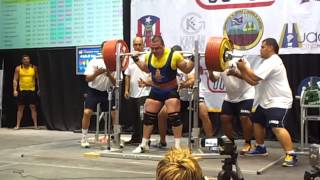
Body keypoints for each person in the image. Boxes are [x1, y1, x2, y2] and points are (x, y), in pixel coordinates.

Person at [233, 38, 297, 167]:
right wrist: (239, 72)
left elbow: (254, 77)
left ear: (270, 48)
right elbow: (253, 82)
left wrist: (244, 67)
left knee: (276, 126)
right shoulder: (265, 63)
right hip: (265, 101)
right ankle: (260, 148)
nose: (260, 50)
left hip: (279, 100)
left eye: (262, 47)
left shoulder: (273, 60)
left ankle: (291, 154)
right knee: (257, 122)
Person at [132, 35, 194, 153]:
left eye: (157, 48)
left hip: (170, 90)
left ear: (163, 46)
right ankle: (144, 144)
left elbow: (187, 69)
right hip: (156, 90)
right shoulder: (149, 56)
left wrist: (194, 58)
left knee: (174, 116)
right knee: (148, 116)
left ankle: (177, 146)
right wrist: (136, 60)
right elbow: (146, 68)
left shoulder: (174, 55)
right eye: (152, 48)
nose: (154, 51)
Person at [156, 45, 214, 148]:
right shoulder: (170, 66)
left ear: (182, 55)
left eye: (178, 56)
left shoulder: (187, 65)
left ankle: (211, 143)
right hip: (179, 96)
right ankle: (162, 141)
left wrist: (184, 84)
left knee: (204, 114)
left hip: (193, 94)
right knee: (162, 115)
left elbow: (192, 80)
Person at [207, 58, 254, 155]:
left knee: (244, 117)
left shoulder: (242, 60)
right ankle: (230, 143)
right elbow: (213, 79)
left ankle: (248, 143)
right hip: (230, 96)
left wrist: (235, 73)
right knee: (224, 118)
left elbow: (249, 77)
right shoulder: (219, 62)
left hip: (246, 94)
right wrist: (210, 71)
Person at [80, 41, 116, 148]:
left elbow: (117, 83)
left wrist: (109, 75)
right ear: (101, 50)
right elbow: (87, 79)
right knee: (87, 112)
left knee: (115, 114)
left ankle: (115, 137)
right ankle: (84, 138)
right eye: (104, 49)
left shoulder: (115, 63)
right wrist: (96, 73)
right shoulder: (94, 61)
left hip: (107, 92)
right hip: (93, 91)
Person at [124, 37, 150, 145]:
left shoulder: (147, 56)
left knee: (142, 117)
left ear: (143, 45)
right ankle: (135, 138)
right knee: (134, 117)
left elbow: (151, 72)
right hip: (133, 93)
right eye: (135, 45)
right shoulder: (130, 58)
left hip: (144, 92)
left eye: (140, 44)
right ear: (133, 45)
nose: (138, 47)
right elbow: (127, 75)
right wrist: (126, 90)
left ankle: (145, 140)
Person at [13, 55, 40, 130]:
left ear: (30, 60)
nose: (26, 61)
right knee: (20, 108)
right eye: (24, 59)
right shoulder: (18, 68)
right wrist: (15, 90)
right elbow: (15, 79)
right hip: (22, 91)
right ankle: (18, 125)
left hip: (32, 90)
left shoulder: (34, 68)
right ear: (22, 61)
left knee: (33, 108)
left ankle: (35, 125)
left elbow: (38, 79)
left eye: (27, 59)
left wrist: (39, 89)